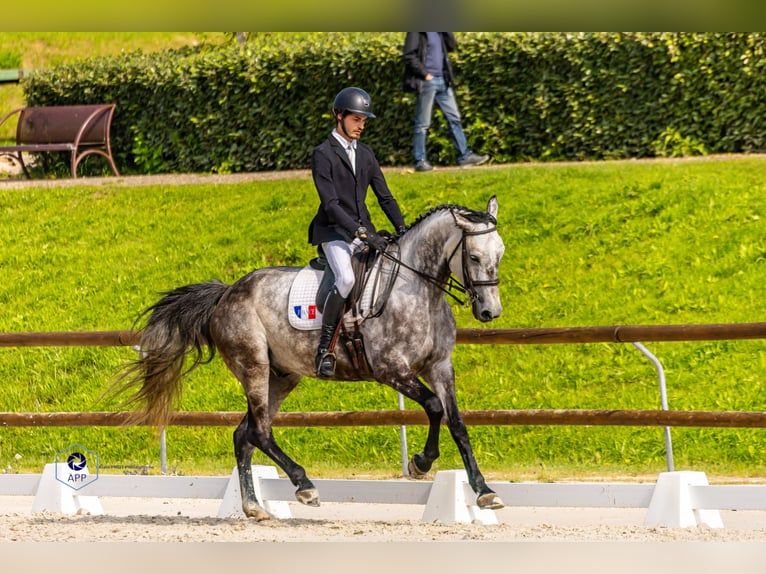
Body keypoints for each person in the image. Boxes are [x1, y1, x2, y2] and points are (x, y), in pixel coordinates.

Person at [308, 86, 407, 378]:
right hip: (333, 232)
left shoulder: (365, 153)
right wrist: (360, 233)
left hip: (364, 229)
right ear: (339, 116)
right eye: (356, 119)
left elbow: (384, 196)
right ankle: (324, 349)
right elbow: (331, 204)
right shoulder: (323, 154)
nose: (361, 126)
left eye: (364, 121)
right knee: (347, 277)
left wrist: (403, 229)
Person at [402, 32, 489, 172]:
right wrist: (425, 74)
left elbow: (451, 46)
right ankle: (420, 161)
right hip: (427, 82)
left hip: (443, 80)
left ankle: (464, 156)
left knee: (454, 117)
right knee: (423, 123)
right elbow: (408, 55)